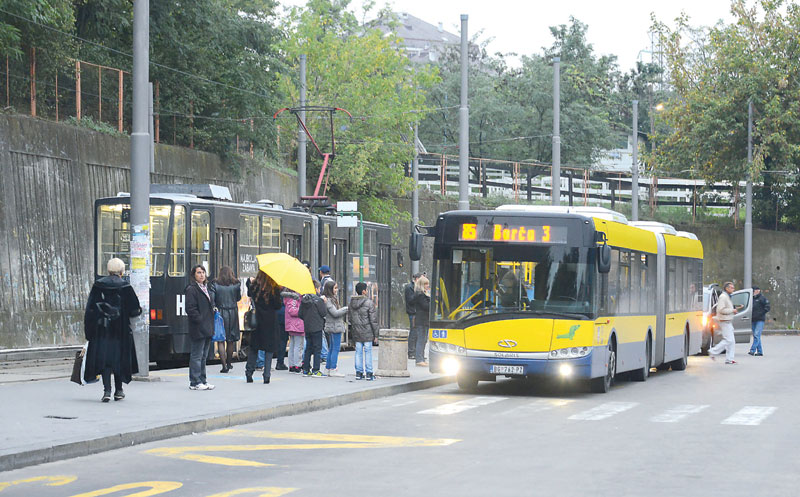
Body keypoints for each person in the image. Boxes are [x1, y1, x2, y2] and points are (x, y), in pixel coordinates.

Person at [83, 258, 141, 402]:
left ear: (108, 270)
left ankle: (107, 390)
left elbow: (90, 310)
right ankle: (119, 390)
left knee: (105, 360)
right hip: (120, 331)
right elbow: (134, 310)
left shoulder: (98, 286)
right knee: (119, 359)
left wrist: (89, 332)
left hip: (101, 330)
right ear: (121, 271)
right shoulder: (126, 287)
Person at [246, 272, 282, 384]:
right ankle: (266, 375)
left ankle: (249, 372)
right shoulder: (274, 289)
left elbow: (249, 293)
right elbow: (278, 305)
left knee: (254, 347)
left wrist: (249, 282)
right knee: (269, 349)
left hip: (257, 321)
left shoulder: (254, 287)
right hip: (270, 322)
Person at [185, 265, 216, 390]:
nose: (202, 275)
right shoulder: (191, 289)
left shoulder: (206, 288)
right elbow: (190, 309)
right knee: (197, 355)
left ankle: (203, 380)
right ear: (194, 275)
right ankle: (195, 381)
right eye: (199, 273)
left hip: (207, 326)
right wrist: (200, 320)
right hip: (198, 327)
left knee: (204, 356)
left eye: (203, 272)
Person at [212, 266, 241, 373]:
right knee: (230, 340)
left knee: (220, 340)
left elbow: (212, 299)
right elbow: (238, 298)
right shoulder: (236, 284)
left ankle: (223, 366)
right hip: (232, 312)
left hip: (220, 312)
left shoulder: (215, 284)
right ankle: (229, 363)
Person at [349, 282, 379, 381]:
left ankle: (359, 372)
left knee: (358, 351)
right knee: (368, 351)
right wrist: (376, 334)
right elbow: (373, 320)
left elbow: (350, 318)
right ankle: (369, 373)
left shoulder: (352, 303)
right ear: (363, 291)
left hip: (356, 331)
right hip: (367, 332)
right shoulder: (369, 303)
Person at [300, 280, 327, 377]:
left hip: (307, 327)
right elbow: (324, 313)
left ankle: (306, 369)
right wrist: (324, 302)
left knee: (308, 348)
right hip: (317, 327)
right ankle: (316, 370)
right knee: (317, 349)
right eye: (319, 288)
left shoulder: (304, 300)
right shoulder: (318, 300)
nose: (320, 290)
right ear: (315, 289)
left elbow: (300, 314)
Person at [322, 279, 348, 377]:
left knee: (332, 348)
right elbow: (335, 313)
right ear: (330, 289)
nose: (336, 290)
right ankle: (333, 368)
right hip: (335, 326)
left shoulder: (329, 299)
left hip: (333, 325)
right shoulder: (329, 300)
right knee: (335, 348)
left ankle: (328, 368)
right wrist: (346, 308)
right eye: (335, 288)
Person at [709, 281, 738, 364]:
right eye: (731, 287)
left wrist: (733, 311)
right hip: (724, 321)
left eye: (733, 287)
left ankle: (729, 359)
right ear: (726, 288)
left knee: (731, 341)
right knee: (728, 340)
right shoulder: (723, 297)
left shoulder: (727, 296)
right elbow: (721, 309)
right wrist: (732, 310)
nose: (733, 289)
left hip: (728, 320)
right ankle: (713, 351)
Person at [282, 287, 305, 373]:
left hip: (292, 325)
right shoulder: (295, 297)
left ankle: (291, 364)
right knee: (298, 346)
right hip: (297, 325)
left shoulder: (288, 297)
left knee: (292, 345)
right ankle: (297, 365)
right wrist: (302, 310)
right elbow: (292, 310)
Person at [410, 275, 431, 367]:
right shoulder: (420, 295)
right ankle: (419, 359)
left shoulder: (423, 294)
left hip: (424, 319)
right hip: (421, 319)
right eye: (426, 284)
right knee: (421, 339)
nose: (427, 285)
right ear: (422, 285)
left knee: (424, 339)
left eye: (428, 284)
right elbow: (426, 306)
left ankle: (421, 358)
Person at [404, 273, 422, 360]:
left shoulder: (417, 288)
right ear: (417, 279)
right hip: (413, 312)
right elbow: (410, 300)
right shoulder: (409, 288)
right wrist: (418, 294)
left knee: (418, 333)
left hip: (418, 312)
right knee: (413, 332)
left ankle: (416, 352)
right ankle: (411, 352)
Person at [748, 286, 770, 356]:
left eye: (755, 290)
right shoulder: (751, 299)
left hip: (760, 320)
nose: (754, 292)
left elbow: (767, 307)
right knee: (756, 336)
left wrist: (761, 313)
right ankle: (760, 352)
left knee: (757, 335)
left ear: (758, 291)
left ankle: (752, 350)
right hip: (753, 320)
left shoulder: (762, 298)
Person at [274, 296, 289, 370]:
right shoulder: (288, 294)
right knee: (283, 340)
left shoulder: (275, 291)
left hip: (275, 316)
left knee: (278, 340)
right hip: (284, 317)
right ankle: (280, 362)